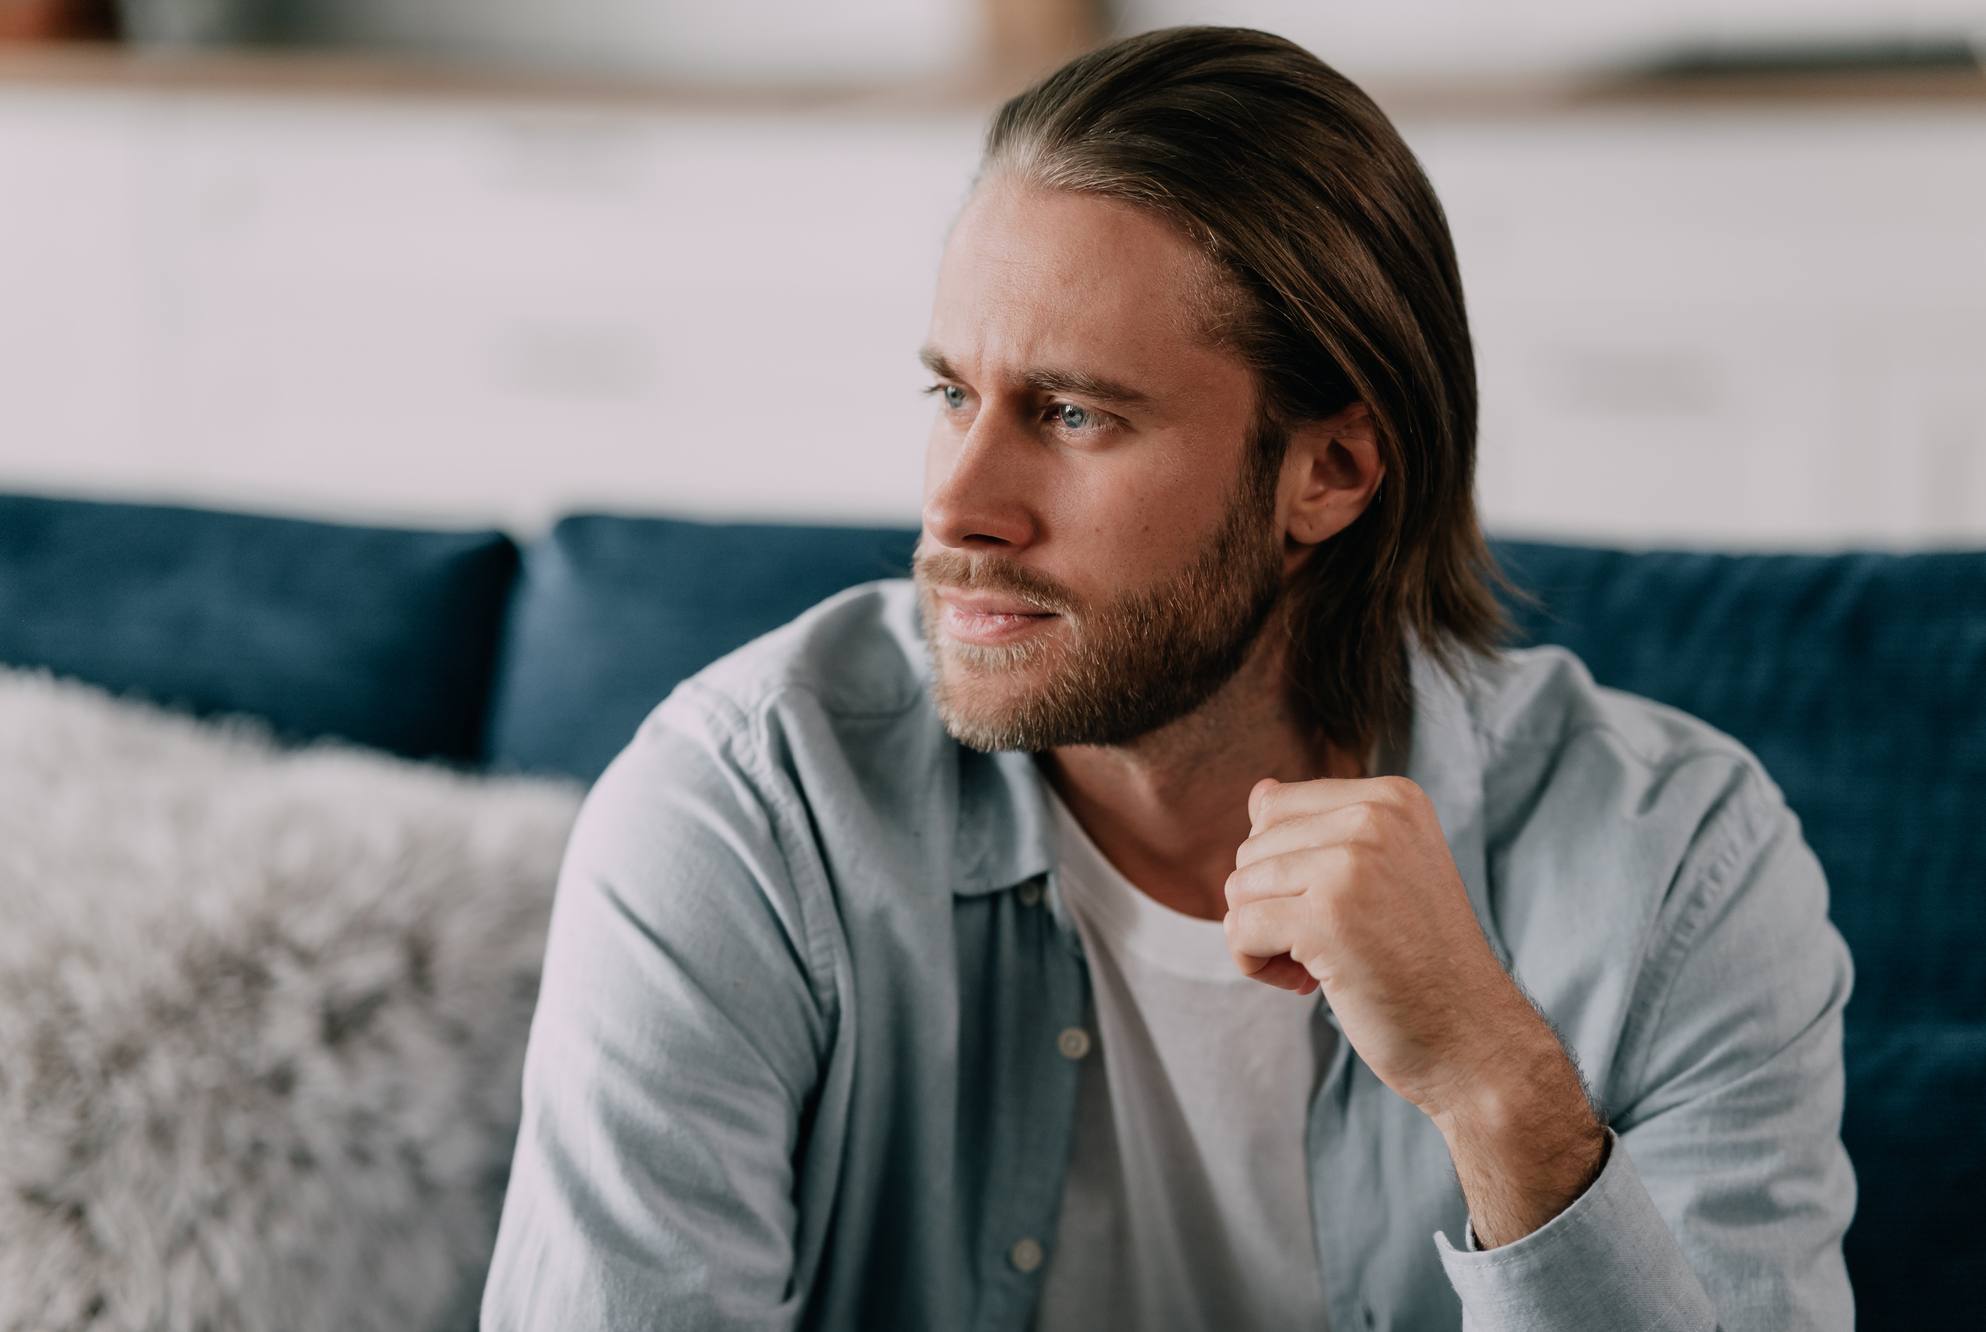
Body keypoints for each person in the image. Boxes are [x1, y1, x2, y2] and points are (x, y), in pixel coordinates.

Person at [482, 26, 1854, 1332]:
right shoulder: (745, 809)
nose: (957, 508)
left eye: (1074, 414)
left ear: (1330, 472)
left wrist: (1500, 1092)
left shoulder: (1681, 871)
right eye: (952, 396)